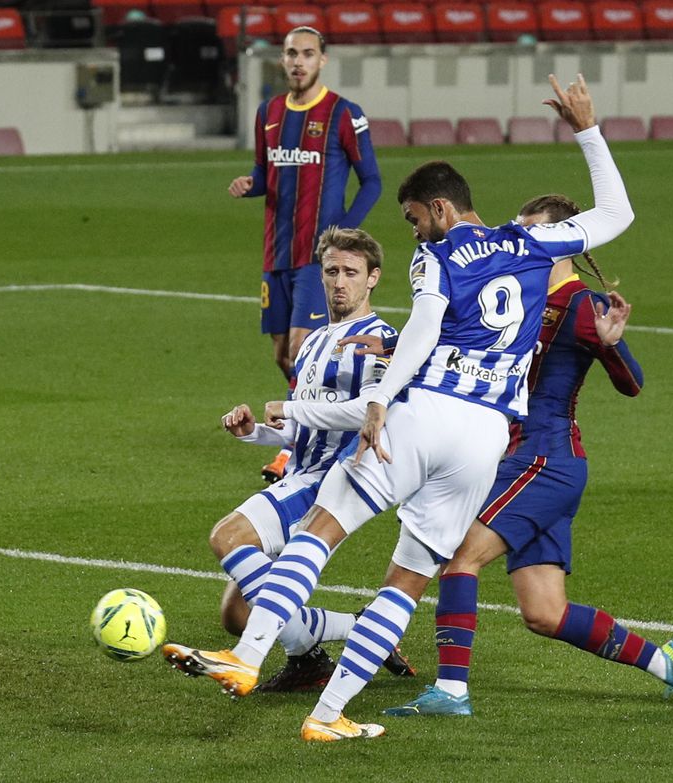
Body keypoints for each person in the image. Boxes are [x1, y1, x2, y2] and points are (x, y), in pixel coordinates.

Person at [165, 74, 636, 741]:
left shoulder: (438, 254)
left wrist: (383, 397)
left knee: (322, 529)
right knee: (407, 579)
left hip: (429, 410)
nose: (414, 230)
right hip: (484, 439)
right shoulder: (533, 244)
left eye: (414, 218)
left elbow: (420, 330)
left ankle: (246, 658)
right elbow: (618, 215)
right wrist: (587, 128)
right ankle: (328, 716)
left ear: (439, 210)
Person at [336, 195, 673, 716]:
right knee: (545, 612)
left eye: (531, 231)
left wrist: (610, 344)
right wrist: (396, 351)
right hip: (526, 460)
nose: (518, 240)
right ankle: (669, 664)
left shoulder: (579, 304)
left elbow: (633, 383)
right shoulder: (520, 293)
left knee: (457, 554)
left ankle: (451, 691)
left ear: (565, 241)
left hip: (543, 459)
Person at [209, 226, 413, 692]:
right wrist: (256, 432)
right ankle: (354, 633)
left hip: (330, 483)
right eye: (331, 271)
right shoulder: (315, 342)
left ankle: (312, 655)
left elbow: (370, 413)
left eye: (351, 272)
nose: (340, 282)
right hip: (298, 472)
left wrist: (292, 407)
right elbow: (301, 427)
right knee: (237, 615)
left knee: (226, 536)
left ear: (373, 278)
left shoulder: (383, 344)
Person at [229, 26, 383, 483]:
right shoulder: (269, 112)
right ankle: (316, 429)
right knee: (283, 354)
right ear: (282, 59)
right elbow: (264, 171)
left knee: (301, 351)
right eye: (291, 53)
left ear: (323, 60)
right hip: (276, 251)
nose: (298, 61)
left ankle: (293, 449)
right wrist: (249, 185)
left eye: (307, 54)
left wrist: (346, 234)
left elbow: (371, 179)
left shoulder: (342, 113)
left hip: (316, 259)